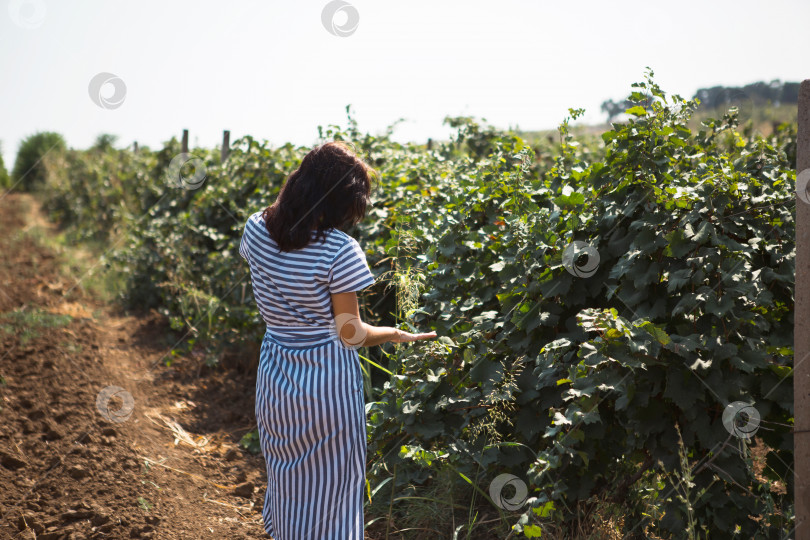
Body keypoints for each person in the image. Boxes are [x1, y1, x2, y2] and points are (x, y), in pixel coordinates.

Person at [238, 140, 436, 539]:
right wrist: (395, 334)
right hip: (326, 381)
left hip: (276, 373)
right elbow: (350, 333)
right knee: (334, 491)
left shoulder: (256, 228)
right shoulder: (339, 251)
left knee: (287, 477)